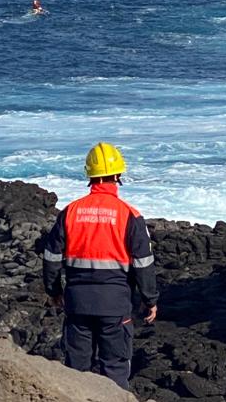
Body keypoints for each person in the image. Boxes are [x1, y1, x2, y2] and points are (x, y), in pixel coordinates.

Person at [42, 142, 159, 389]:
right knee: (115, 369)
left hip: (77, 304)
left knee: (76, 372)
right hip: (115, 305)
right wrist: (150, 300)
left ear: (90, 175)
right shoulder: (130, 215)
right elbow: (143, 264)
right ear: (118, 175)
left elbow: (51, 256)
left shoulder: (70, 211)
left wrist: (54, 292)